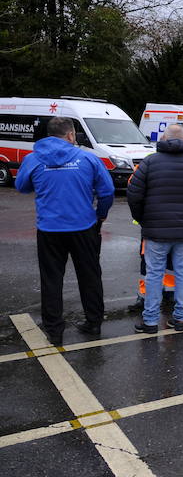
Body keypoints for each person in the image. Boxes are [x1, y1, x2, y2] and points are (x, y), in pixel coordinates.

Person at [14, 116, 114, 346]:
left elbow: (21, 186)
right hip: (84, 227)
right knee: (90, 276)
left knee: (51, 279)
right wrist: (101, 215)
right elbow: (107, 191)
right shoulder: (88, 157)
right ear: (70, 135)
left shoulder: (33, 158)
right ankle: (94, 322)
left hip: (49, 229)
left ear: (49, 135)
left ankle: (54, 330)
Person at [127, 124, 183, 333]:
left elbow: (134, 194)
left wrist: (143, 219)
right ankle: (181, 319)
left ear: (164, 138)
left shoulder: (149, 162)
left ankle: (150, 322)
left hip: (155, 231)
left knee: (154, 274)